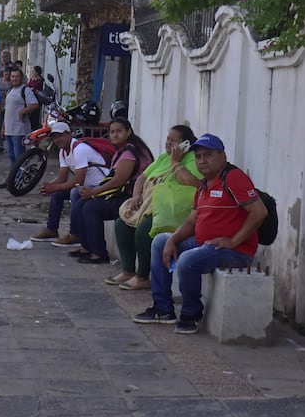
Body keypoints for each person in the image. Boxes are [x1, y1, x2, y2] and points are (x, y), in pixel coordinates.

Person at [133, 133, 268, 334]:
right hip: (203, 243)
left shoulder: (233, 177)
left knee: (188, 259)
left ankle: (191, 314)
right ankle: (163, 309)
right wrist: (174, 240)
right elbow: (191, 221)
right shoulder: (204, 183)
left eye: (208, 155)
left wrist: (233, 241)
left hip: (234, 251)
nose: (202, 160)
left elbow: (259, 212)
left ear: (222, 156)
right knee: (161, 241)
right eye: (198, 157)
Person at [108, 125, 201, 290]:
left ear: (185, 144)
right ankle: (128, 271)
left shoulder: (191, 159)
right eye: (167, 139)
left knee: (145, 231)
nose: (168, 143)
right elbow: (142, 178)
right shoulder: (163, 158)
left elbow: (191, 182)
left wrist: (175, 161)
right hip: (150, 204)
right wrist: (136, 196)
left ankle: (143, 276)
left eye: (174, 140)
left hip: (173, 210)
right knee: (121, 224)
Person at [71, 117, 154, 264]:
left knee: (91, 207)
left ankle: (99, 253)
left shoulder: (129, 153)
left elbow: (118, 181)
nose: (115, 135)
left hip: (132, 197)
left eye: (119, 131)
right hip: (121, 194)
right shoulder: (122, 151)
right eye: (112, 132)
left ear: (128, 132)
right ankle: (86, 248)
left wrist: (95, 191)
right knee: (80, 203)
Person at [30, 122, 107, 245]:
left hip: (100, 185)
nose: (57, 140)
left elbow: (78, 181)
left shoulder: (80, 149)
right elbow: (62, 178)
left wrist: (53, 187)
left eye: (60, 136)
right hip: (86, 185)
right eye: (54, 137)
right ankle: (52, 229)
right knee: (57, 193)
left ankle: (75, 234)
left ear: (69, 134)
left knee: (75, 192)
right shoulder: (63, 152)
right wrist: (49, 186)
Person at [0, 67, 39, 189]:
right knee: (12, 157)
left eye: (17, 76)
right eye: (13, 76)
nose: (14, 78)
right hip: (9, 130)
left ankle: (18, 180)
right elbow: (7, 111)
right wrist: (3, 128)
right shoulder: (10, 90)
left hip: (19, 130)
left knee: (19, 158)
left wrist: (22, 112)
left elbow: (34, 104)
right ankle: (12, 179)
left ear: (21, 78)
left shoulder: (25, 90)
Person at [0, 66, 12, 154]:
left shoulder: (12, 83)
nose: (7, 76)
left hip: (9, 106)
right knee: (0, 125)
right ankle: (0, 145)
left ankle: (9, 145)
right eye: (6, 74)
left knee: (8, 126)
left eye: (9, 74)